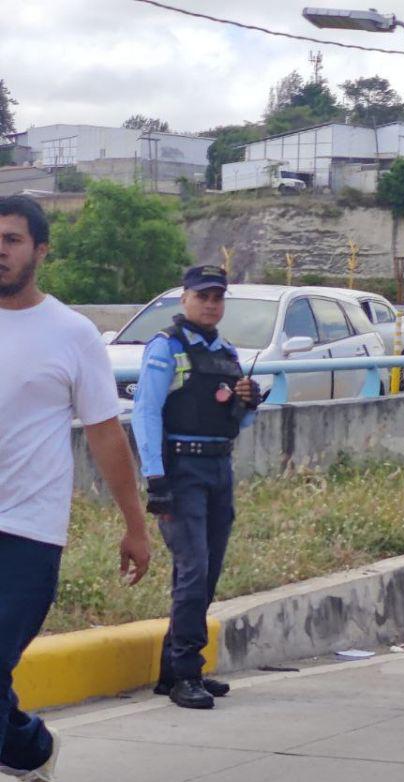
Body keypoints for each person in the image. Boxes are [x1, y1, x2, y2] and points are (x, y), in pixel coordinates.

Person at [0, 195, 152, 782]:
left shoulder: (72, 333)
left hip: (28, 534)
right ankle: (33, 748)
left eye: (11, 239)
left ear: (40, 250)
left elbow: (104, 434)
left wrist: (135, 525)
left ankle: (30, 748)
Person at [132, 265, 262, 711]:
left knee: (207, 573)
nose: (210, 304)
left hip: (218, 469)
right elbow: (145, 413)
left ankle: (175, 671)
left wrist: (249, 401)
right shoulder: (165, 348)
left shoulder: (225, 351)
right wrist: (155, 480)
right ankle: (187, 672)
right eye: (203, 296)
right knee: (193, 570)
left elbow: (239, 421)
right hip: (180, 469)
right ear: (184, 298)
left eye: (217, 297)